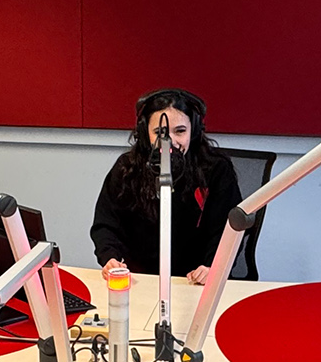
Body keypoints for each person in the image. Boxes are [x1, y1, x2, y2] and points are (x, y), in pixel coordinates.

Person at [90, 88, 241, 284]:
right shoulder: (127, 169)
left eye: (180, 131)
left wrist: (213, 267)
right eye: (160, 133)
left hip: (196, 281)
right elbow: (106, 223)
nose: (170, 141)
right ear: (145, 133)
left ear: (194, 130)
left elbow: (227, 230)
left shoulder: (216, 169)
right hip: (141, 280)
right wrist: (110, 257)